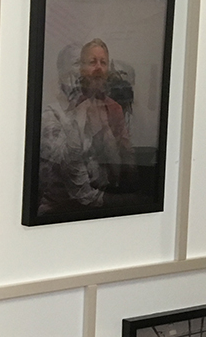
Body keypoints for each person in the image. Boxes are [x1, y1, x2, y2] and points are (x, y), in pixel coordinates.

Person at [38, 38, 135, 215]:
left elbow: (120, 167)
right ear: (64, 73)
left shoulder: (106, 109)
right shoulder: (52, 115)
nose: (96, 69)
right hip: (60, 213)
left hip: (96, 203)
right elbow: (82, 193)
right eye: (88, 63)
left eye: (103, 63)